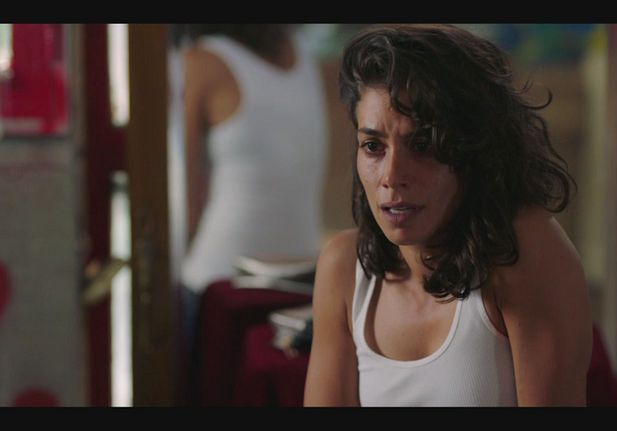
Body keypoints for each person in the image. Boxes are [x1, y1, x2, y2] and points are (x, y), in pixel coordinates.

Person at [303, 24, 593, 407]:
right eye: (373, 146)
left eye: (423, 144)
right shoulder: (344, 267)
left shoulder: (524, 251)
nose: (391, 176)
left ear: (475, 151)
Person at [170, 24, 328, 401]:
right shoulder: (301, 56)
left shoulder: (202, 62)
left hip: (222, 287)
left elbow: (182, 194)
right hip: (301, 280)